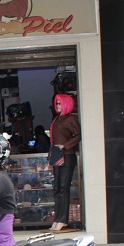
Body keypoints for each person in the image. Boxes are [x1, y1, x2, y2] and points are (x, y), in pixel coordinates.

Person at [48, 93, 81, 232]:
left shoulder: (71, 119)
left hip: (67, 155)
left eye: (60, 103)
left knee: (63, 187)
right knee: (56, 187)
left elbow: (78, 135)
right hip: (57, 155)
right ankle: (58, 218)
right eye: (57, 103)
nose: (58, 106)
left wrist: (65, 145)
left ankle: (62, 219)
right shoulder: (56, 120)